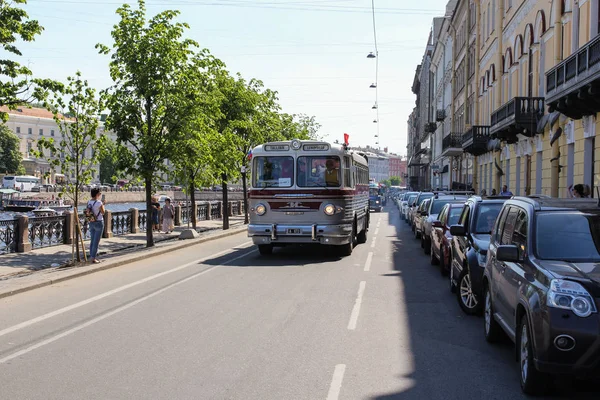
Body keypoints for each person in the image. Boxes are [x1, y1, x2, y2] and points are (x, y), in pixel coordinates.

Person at [87, 188, 105, 264]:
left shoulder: (89, 202)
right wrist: (103, 204)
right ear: (97, 194)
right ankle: (93, 258)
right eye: (99, 194)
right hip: (99, 222)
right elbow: (103, 212)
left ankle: (91, 256)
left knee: (92, 240)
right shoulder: (99, 203)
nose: (100, 195)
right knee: (96, 242)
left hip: (91, 222)